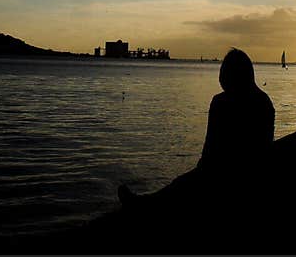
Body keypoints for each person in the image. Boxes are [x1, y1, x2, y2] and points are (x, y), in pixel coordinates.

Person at [118, 48, 275, 208]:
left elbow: (211, 148)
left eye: (223, 72)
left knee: (180, 186)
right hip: (255, 173)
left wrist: (203, 172)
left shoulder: (221, 102)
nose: (220, 78)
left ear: (231, 75)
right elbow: (264, 146)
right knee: (182, 184)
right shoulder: (264, 101)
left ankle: (143, 205)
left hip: (225, 174)